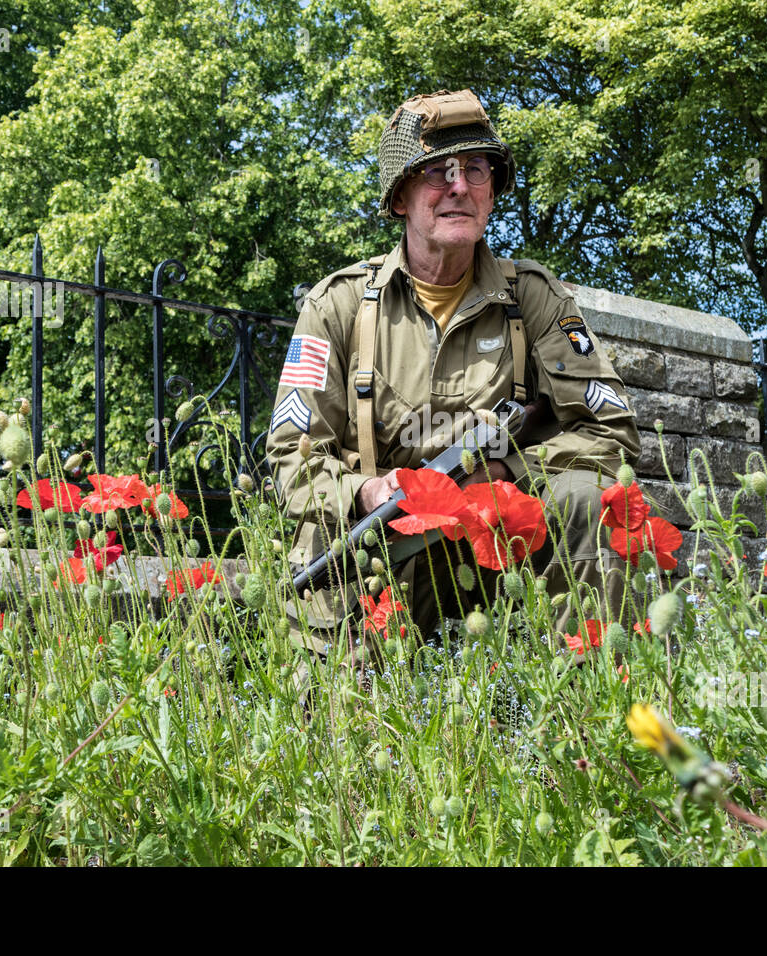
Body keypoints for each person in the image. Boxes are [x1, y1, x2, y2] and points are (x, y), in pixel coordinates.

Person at [266, 89, 640, 656]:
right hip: (383, 562)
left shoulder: (536, 299)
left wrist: (510, 469)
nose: (459, 186)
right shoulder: (337, 307)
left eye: (475, 169)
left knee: (591, 495)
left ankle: (584, 710)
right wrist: (363, 492)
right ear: (400, 197)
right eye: (437, 171)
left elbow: (610, 433)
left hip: (500, 559)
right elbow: (290, 457)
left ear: (492, 192)